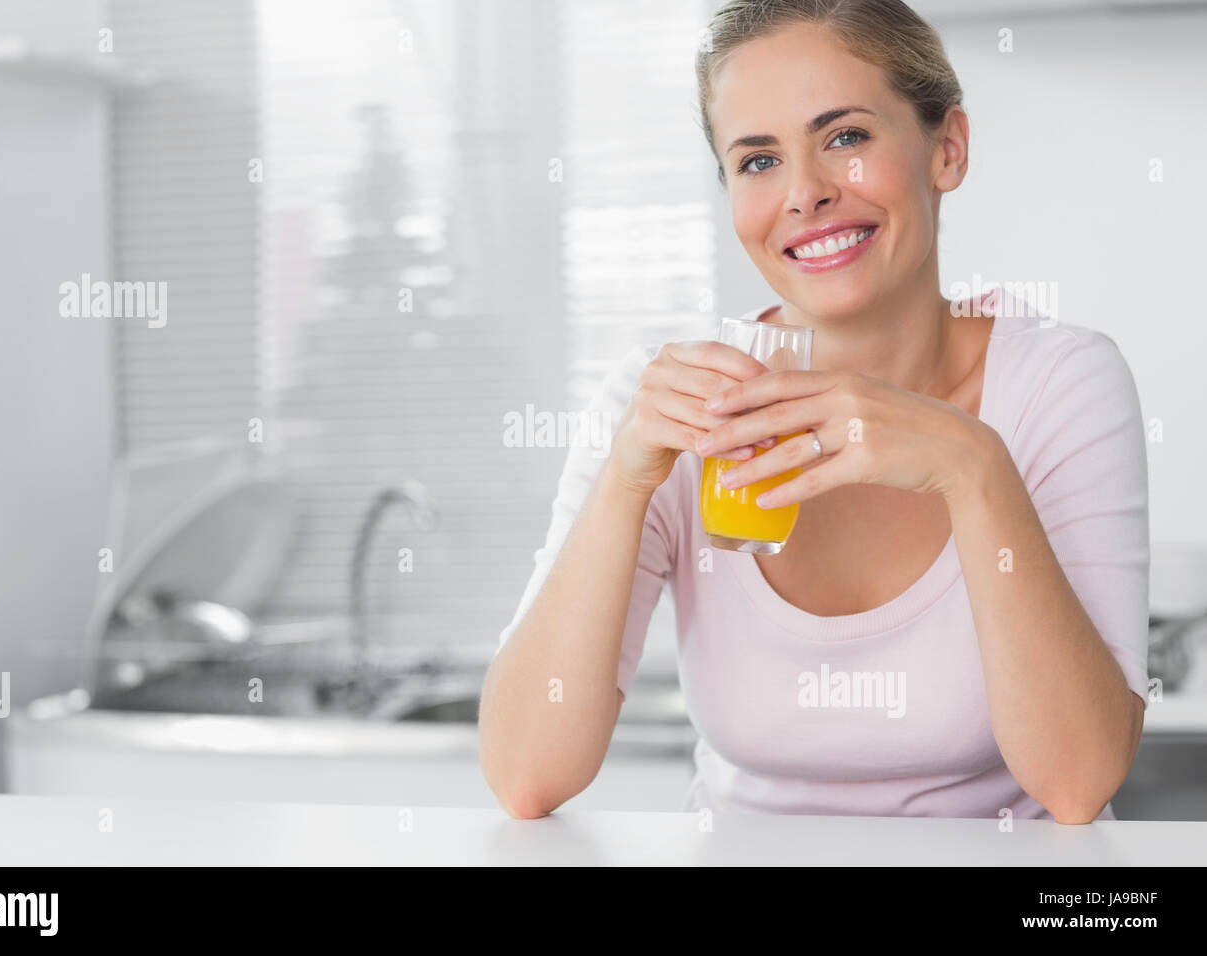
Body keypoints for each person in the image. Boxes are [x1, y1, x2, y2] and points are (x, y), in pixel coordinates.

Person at [479, 0, 1148, 824]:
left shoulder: (1060, 384)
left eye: (846, 137)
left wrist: (971, 468)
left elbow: (1079, 784)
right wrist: (622, 486)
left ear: (947, 148)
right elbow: (525, 774)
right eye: (758, 160)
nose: (805, 193)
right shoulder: (668, 407)